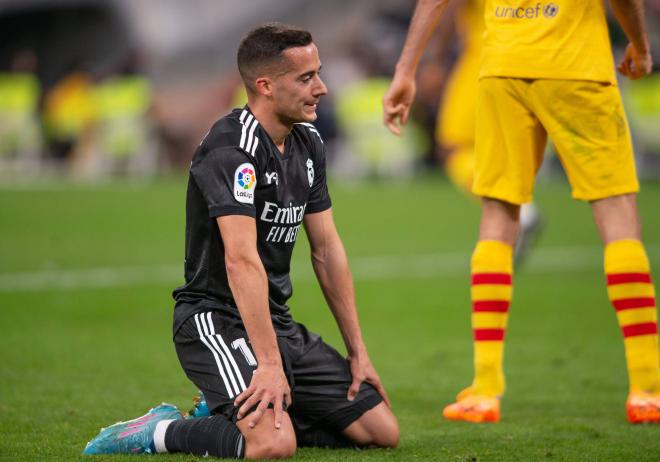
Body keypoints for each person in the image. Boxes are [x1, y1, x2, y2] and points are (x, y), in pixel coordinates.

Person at [83, 23, 399, 458]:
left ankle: (231, 414)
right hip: (216, 319)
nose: (323, 88)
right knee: (273, 445)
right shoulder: (232, 149)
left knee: (381, 430)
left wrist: (358, 351)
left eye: (319, 73)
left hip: (276, 322)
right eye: (306, 78)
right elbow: (241, 260)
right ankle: (159, 432)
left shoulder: (308, 142)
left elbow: (326, 250)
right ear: (265, 86)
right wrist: (268, 366)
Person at [383, 0, 660, 424]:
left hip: (502, 67)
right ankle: (648, 388)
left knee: (497, 216)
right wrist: (639, 44)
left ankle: (485, 389)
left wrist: (405, 70)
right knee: (616, 211)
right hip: (576, 64)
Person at [432, 0, 541, 262]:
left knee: (451, 148)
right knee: (501, 149)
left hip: (485, 59)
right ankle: (517, 208)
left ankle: (521, 211)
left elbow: (445, 5)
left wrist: (436, 58)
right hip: (538, 58)